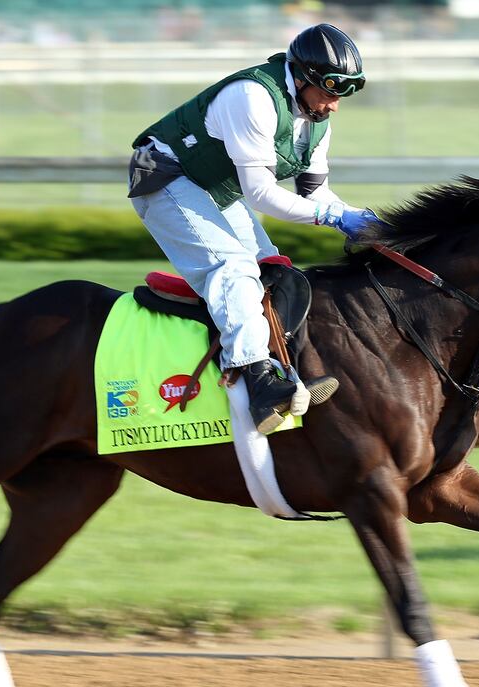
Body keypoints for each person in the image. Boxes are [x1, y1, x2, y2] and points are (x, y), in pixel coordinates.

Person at [128, 23, 380, 435]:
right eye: (329, 92)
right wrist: (335, 220)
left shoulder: (315, 118)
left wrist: (362, 219)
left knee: (273, 270)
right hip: (166, 179)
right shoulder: (253, 97)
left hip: (214, 188)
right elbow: (262, 195)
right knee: (233, 268)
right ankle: (257, 382)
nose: (334, 106)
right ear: (299, 77)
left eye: (341, 96)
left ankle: (287, 366)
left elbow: (317, 194)